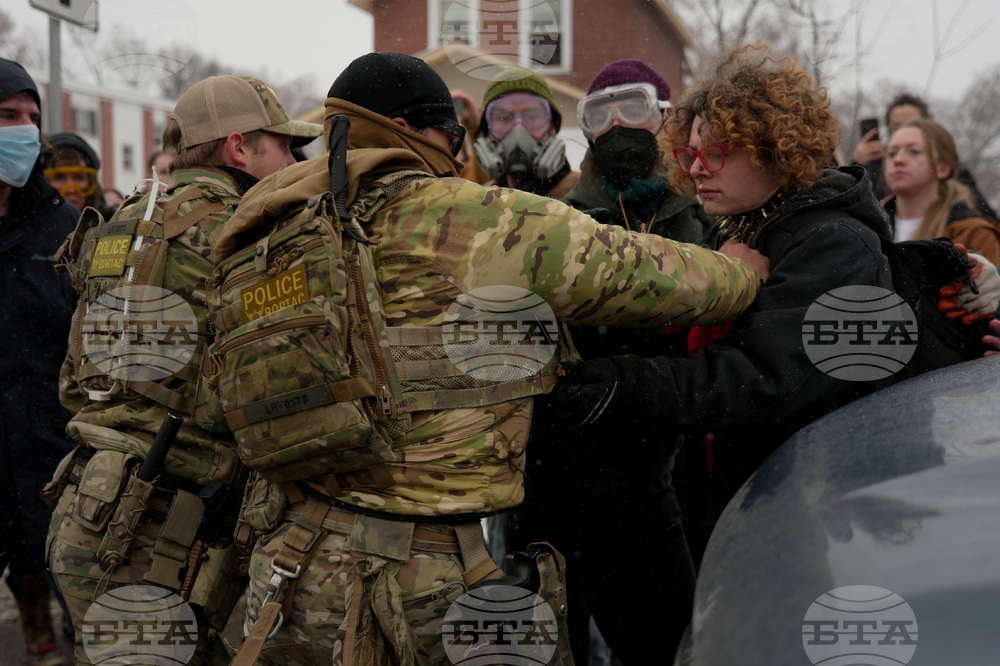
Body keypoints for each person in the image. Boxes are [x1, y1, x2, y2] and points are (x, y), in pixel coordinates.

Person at [229, 51, 769, 666]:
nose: (460, 152)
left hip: (289, 571)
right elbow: (641, 273)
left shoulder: (269, 232)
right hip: (427, 575)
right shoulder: (471, 216)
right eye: (452, 135)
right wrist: (738, 271)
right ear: (413, 131)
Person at [47, 75, 321, 666]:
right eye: (283, 146)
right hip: (160, 527)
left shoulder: (121, 225)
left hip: (85, 502)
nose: (292, 162)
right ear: (239, 149)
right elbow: (281, 403)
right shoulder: (248, 238)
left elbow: (76, 382)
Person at [504, 58, 709, 664]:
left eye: (636, 109)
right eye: (600, 113)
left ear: (666, 120)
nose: (618, 125)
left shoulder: (703, 216)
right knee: (541, 650)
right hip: (550, 480)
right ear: (586, 130)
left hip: (650, 482)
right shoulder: (560, 221)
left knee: (666, 648)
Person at [0, 57, 79, 666]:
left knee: (75, 595)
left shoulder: (66, 230)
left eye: (32, 118)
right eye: (7, 116)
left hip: (52, 458)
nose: (25, 131)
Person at [852, 92, 997, 219]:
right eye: (897, 127)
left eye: (914, 124)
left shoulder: (957, 176)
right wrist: (857, 165)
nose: (899, 160)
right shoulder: (873, 170)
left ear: (943, 169)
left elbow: (987, 220)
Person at [882, 117, 1000, 263]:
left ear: (943, 168)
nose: (898, 160)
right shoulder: (866, 223)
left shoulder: (973, 233)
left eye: (914, 151)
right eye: (891, 153)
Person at [461, 67, 580, 198]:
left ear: (552, 128)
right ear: (487, 131)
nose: (518, 129)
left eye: (532, 116)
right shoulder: (481, 201)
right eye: (504, 118)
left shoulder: (583, 194)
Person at [42, 132, 115, 218]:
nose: (71, 189)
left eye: (78, 178)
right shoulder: (25, 226)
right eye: (59, 178)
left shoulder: (111, 225)